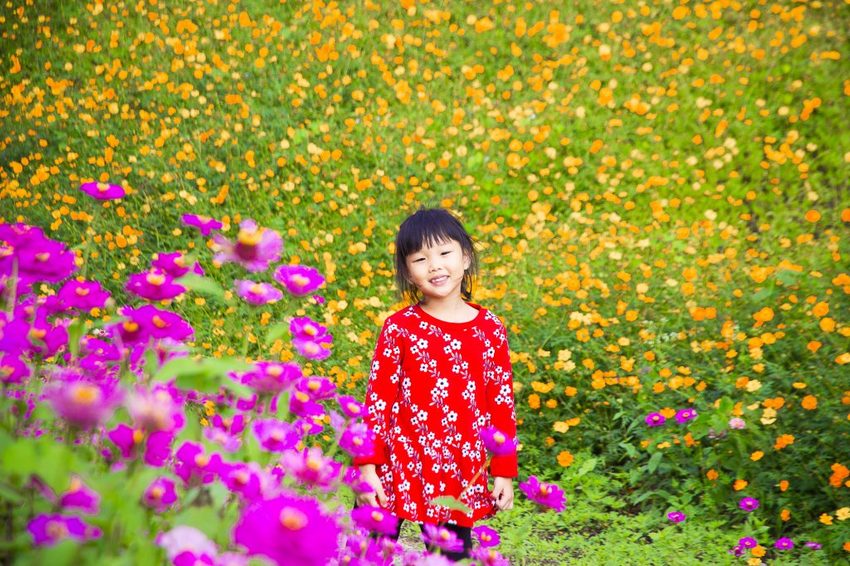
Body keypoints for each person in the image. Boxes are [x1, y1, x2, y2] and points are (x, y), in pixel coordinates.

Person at [353, 207, 518, 561]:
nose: (434, 266)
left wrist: (503, 471)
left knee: (448, 559)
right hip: (394, 466)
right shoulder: (399, 328)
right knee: (369, 554)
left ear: (466, 258)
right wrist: (366, 468)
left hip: (458, 473)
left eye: (445, 253)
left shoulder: (490, 328)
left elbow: (501, 404)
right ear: (407, 273)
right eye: (420, 259)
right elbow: (377, 403)